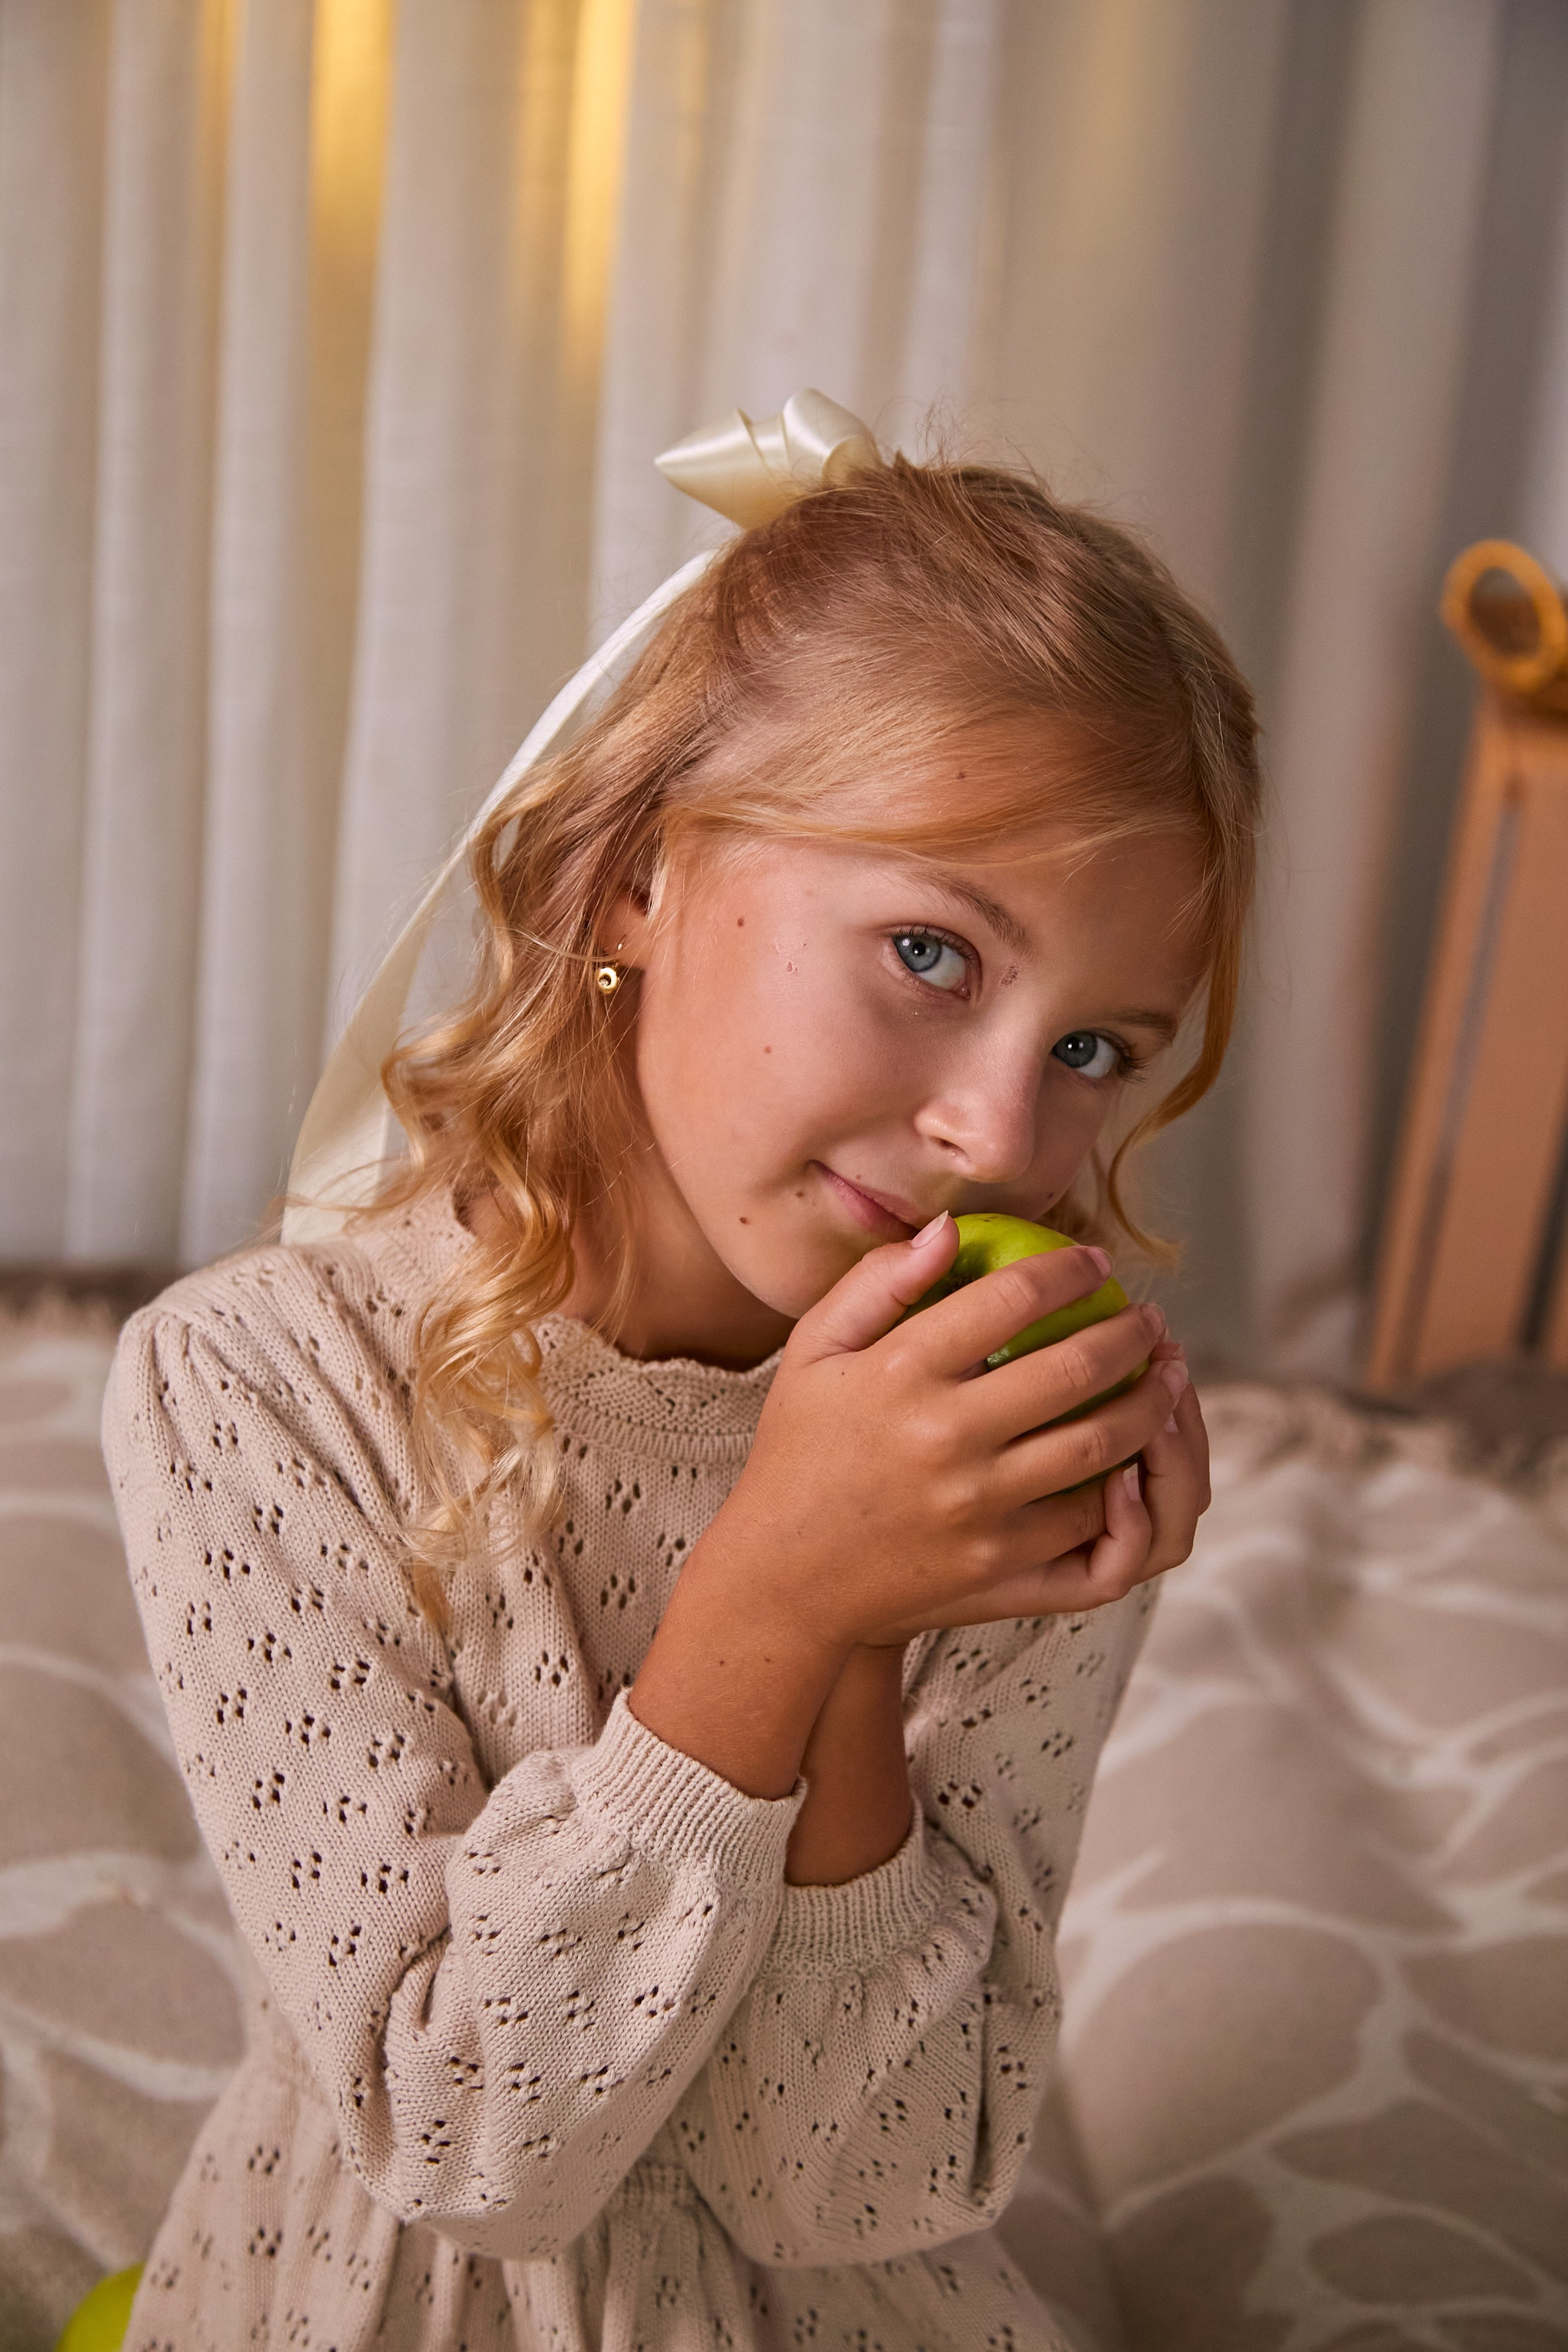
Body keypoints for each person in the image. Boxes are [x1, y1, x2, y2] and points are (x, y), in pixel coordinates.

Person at [102, 401, 1259, 2352]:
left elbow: (858, 2181)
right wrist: (780, 1591)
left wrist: (876, 1630)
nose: (998, 1131)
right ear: (640, 872)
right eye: (932, 951)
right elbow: (478, 2145)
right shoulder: (252, 1389)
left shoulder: (1012, 1455)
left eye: (1097, 1052)